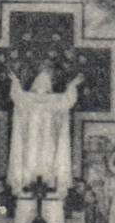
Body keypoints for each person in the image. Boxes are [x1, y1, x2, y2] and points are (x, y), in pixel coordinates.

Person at [7, 62, 83, 196]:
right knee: (30, 158)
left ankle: (50, 186)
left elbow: (67, 101)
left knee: (49, 160)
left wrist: (72, 86)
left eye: (45, 82)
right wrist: (15, 82)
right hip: (32, 138)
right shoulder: (28, 98)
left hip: (49, 139)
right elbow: (17, 96)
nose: (42, 85)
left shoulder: (53, 99)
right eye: (40, 82)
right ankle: (25, 186)